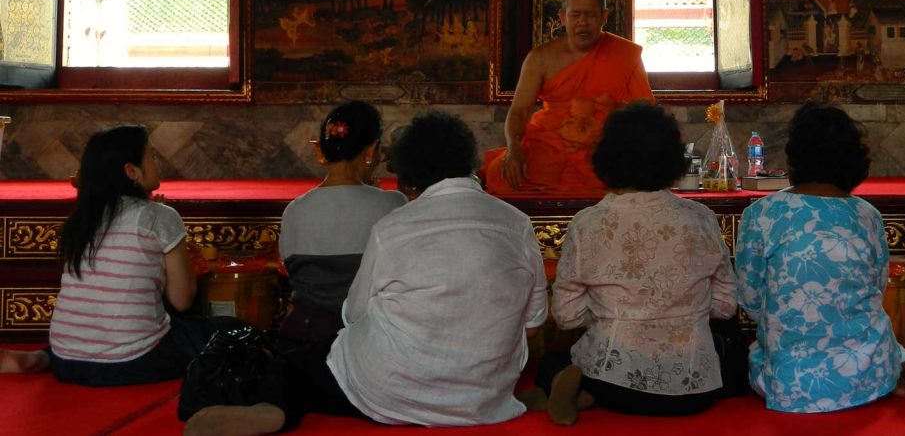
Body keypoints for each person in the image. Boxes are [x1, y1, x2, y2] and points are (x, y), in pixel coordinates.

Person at [183, 110, 548, 434]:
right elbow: (534, 321)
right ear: (469, 161)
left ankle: (275, 409)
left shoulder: (394, 226)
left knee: (293, 367)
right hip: (483, 396)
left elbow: (354, 313)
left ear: (411, 172)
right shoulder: (517, 223)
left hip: (388, 388)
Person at [735, 102, 905, 413]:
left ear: (793, 156)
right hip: (867, 373)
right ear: (852, 160)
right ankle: (902, 367)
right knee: (865, 323)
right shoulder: (868, 215)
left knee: (755, 352)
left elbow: (750, 299)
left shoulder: (761, 214)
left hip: (789, 383)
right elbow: (875, 291)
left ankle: (902, 369)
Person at [522, 103, 741, 425]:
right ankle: (581, 392)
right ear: (673, 159)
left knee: (553, 362)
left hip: (613, 381)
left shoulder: (588, 223)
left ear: (607, 157)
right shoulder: (701, 219)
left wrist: (612, 315)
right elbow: (725, 306)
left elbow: (567, 316)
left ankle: (570, 387)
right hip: (696, 388)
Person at [0, 125, 242, 383]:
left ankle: (42, 357)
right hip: (133, 362)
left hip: (66, 359)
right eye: (152, 155)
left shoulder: (81, 220)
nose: (157, 161)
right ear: (132, 171)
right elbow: (182, 299)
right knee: (229, 331)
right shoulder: (160, 217)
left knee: (97, 334)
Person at [483, 0, 653, 194]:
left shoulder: (626, 55)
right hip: (549, 146)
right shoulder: (540, 58)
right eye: (575, 15)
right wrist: (513, 149)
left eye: (591, 15)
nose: (583, 22)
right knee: (501, 175)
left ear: (604, 17)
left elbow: (645, 114)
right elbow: (519, 111)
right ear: (563, 17)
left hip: (603, 149)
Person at [278, 101, 406, 345]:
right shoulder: (391, 204)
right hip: (366, 339)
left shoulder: (295, 209)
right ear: (371, 151)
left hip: (303, 337)